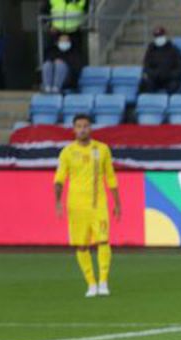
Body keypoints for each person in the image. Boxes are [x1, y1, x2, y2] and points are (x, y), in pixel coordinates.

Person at [54, 114, 120, 298]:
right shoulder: (67, 152)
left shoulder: (102, 149)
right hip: (76, 206)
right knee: (81, 246)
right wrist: (58, 201)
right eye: (79, 126)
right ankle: (91, 283)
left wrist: (117, 202)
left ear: (91, 128)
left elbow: (111, 177)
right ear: (74, 129)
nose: (82, 129)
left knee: (103, 241)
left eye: (86, 126)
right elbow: (59, 179)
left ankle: (103, 282)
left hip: (98, 204)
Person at [139, 26, 181, 95]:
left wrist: (170, 74)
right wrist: (154, 74)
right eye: (157, 36)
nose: (159, 38)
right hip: (155, 78)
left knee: (174, 85)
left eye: (161, 36)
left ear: (165, 36)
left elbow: (180, 67)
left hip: (169, 79)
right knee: (144, 84)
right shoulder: (151, 50)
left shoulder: (173, 49)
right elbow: (146, 66)